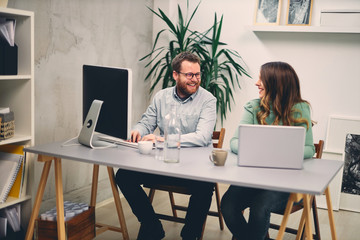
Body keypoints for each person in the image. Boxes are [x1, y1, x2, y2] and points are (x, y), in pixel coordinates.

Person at [115, 51, 217, 240]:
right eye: (189, 75)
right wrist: (137, 130)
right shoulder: (161, 97)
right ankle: (151, 225)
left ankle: (190, 235)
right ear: (175, 75)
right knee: (123, 175)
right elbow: (146, 123)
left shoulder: (208, 100)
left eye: (197, 74)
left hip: (194, 169)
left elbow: (203, 137)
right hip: (164, 164)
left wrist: (164, 139)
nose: (195, 79)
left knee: (205, 185)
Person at [220, 61, 315, 240]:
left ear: (276, 83)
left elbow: (309, 149)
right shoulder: (253, 106)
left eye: (261, 79)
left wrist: (271, 154)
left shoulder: (301, 108)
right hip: (252, 179)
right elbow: (234, 142)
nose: (257, 83)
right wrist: (259, 153)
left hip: (286, 183)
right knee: (228, 204)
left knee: (259, 207)